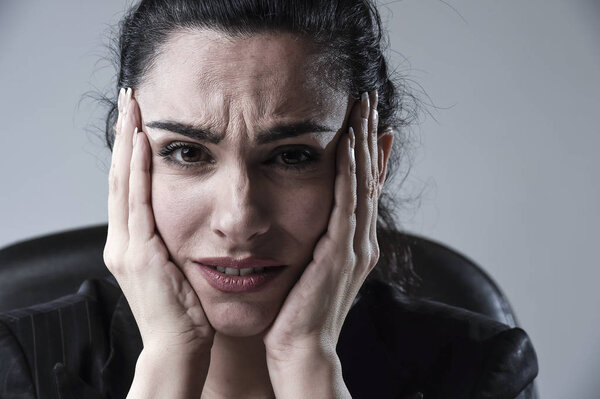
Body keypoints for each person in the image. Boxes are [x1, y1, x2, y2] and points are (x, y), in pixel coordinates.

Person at [0, 1, 538, 398]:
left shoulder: (477, 372)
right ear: (127, 159)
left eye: (292, 157)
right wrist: (168, 362)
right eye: (187, 152)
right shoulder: (21, 365)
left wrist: (309, 367)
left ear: (372, 167)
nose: (239, 220)